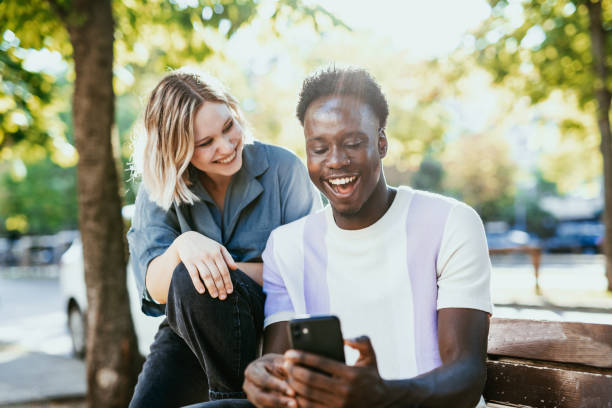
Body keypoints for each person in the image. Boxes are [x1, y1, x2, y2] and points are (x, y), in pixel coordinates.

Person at [238, 67, 492, 408]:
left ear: (381, 143)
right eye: (319, 149)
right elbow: (279, 360)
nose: (337, 162)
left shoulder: (451, 223)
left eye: (353, 144)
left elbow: (466, 374)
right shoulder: (286, 246)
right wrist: (264, 377)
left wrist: (383, 397)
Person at [126, 70, 321, 407]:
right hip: (191, 331)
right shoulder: (159, 188)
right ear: (178, 150)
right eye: (206, 143)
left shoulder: (284, 169)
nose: (227, 146)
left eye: (229, 126)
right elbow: (154, 288)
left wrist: (216, 268)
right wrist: (183, 248)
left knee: (191, 277)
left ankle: (229, 400)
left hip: (276, 321)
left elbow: (310, 271)